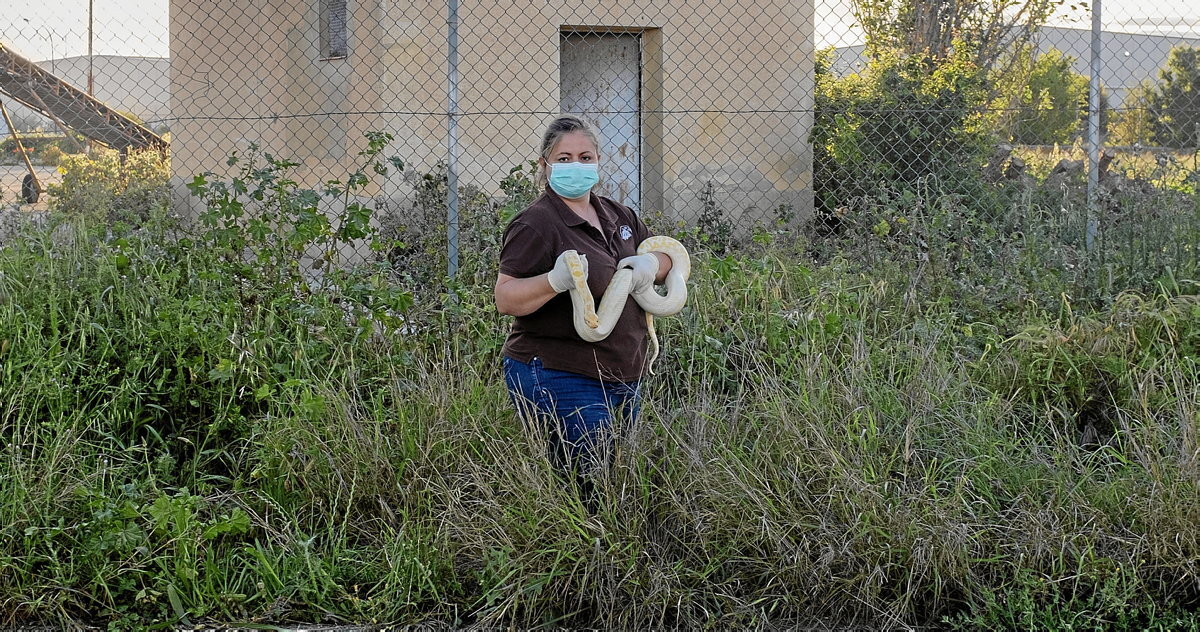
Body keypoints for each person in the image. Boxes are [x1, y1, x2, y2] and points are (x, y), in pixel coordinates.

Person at [494, 115, 673, 490]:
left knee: (619, 477)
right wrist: (554, 281)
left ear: (598, 162)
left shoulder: (618, 215)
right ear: (544, 166)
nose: (576, 165)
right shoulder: (536, 224)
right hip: (561, 372)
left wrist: (651, 264)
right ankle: (586, 545)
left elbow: (668, 258)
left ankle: (615, 541)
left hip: (624, 371)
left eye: (585, 156)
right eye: (563, 158)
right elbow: (506, 298)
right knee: (589, 483)